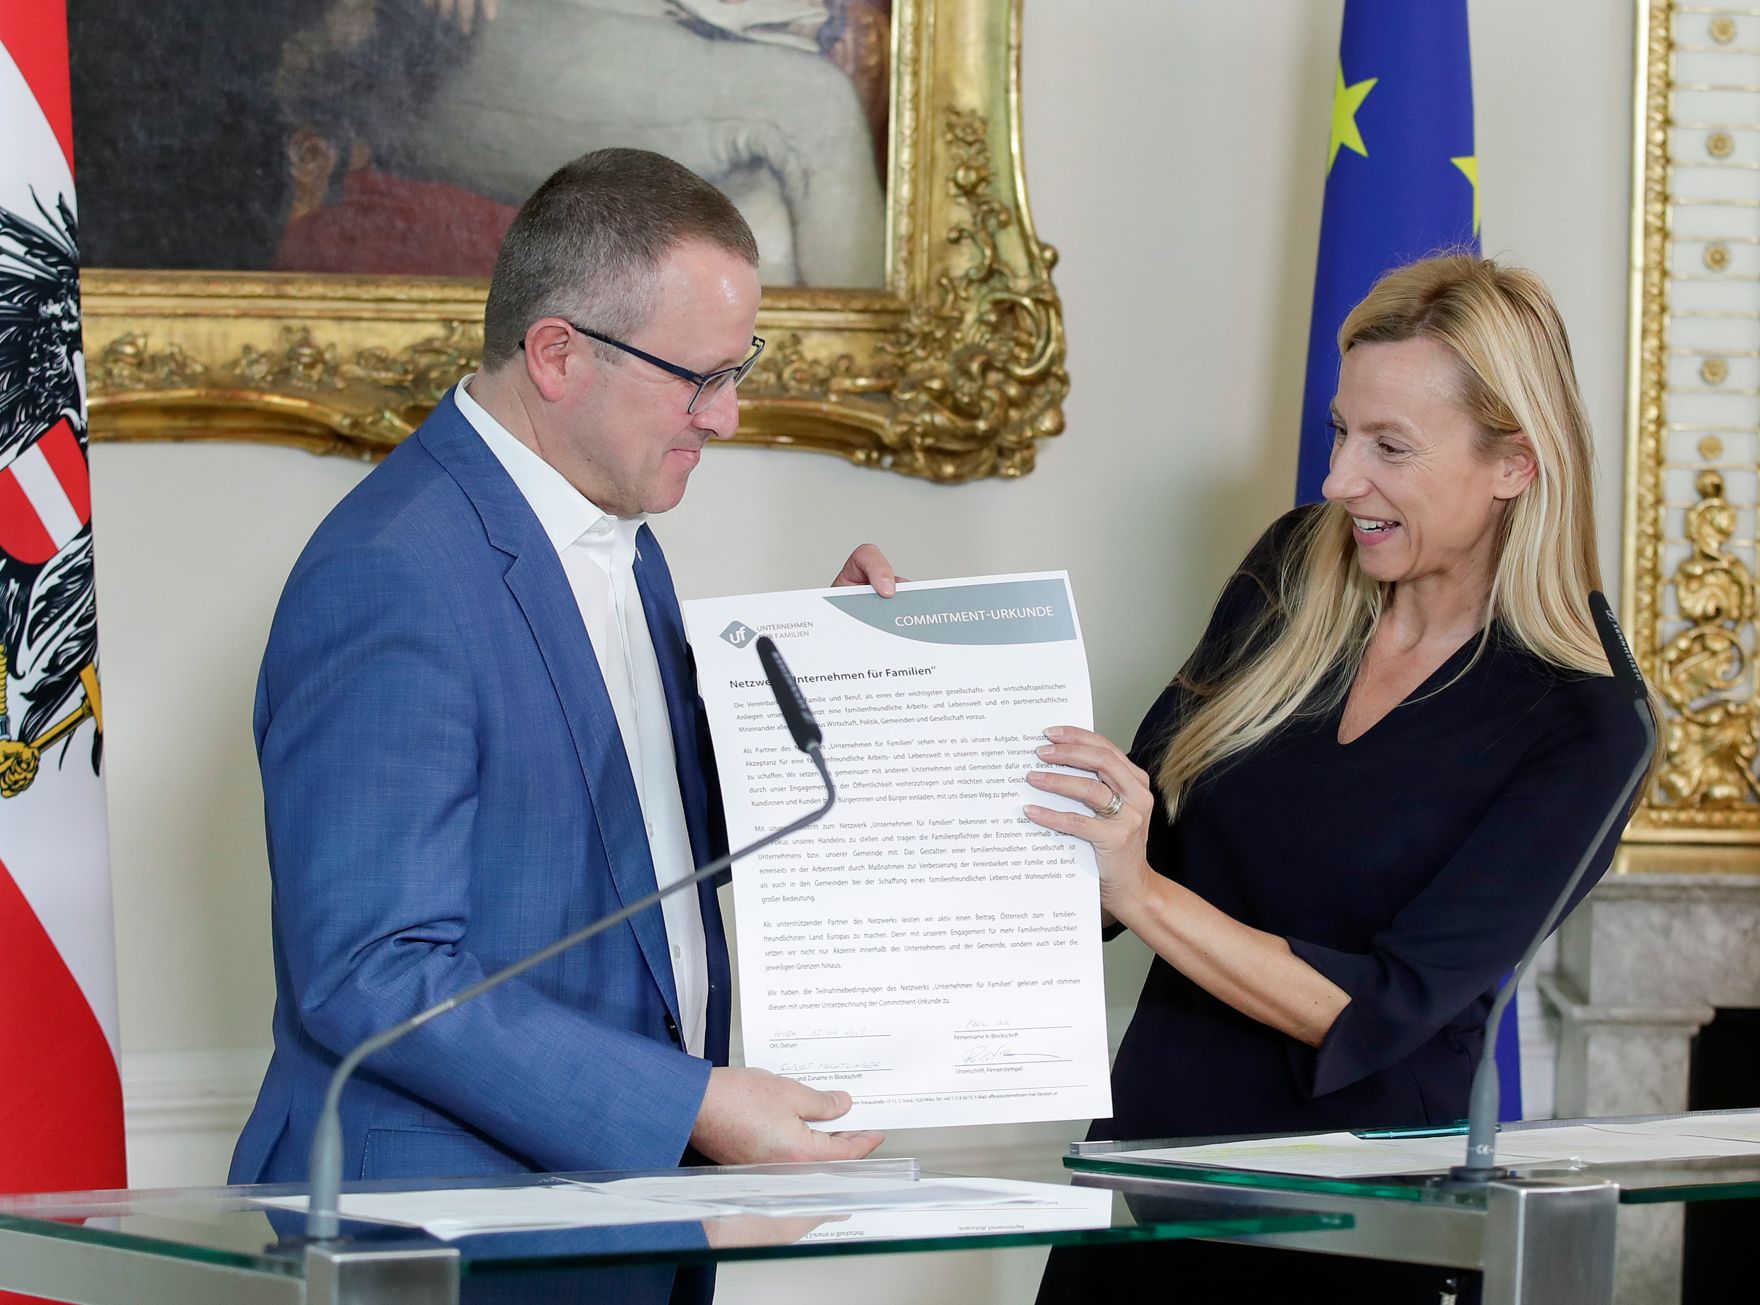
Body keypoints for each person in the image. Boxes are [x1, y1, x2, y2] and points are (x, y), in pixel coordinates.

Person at [230, 149, 894, 1206]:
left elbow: (633, 845)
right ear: (555, 354)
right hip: (442, 1224)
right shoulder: (392, 570)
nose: (725, 417)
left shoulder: (613, 528)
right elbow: (370, 971)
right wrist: (689, 1108)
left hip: (618, 1209)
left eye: (740, 368)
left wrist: (828, 669)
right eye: (699, 378)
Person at [1029, 255, 1655, 1303]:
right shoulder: (1290, 573)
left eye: (1388, 447)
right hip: (1147, 1183)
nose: (1335, 481)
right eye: (1338, 431)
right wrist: (901, 669)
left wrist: (1138, 891)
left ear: (1514, 463)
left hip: (1359, 1228)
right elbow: (1120, 829)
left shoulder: (1588, 725)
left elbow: (1383, 1007)